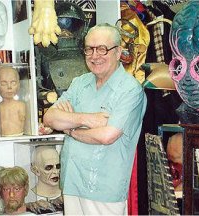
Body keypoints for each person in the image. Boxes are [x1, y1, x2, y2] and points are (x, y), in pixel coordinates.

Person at [43, 23, 147, 215]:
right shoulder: (79, 83)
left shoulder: (130, 90)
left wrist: (70, 128)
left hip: (104, 190)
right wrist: (88, 119)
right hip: (73, 182)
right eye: (89, 49)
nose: (94, 56)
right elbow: (50, 117)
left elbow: (107, 136)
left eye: (102, 49)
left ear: (118, 52)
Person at [0, 66, 26, 136]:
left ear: (18, 85)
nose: (9, 87)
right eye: (4, 83)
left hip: (19, 137)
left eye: (13, 83)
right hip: (0, 139)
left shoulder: (20, 105)